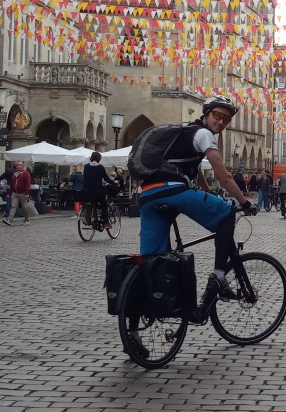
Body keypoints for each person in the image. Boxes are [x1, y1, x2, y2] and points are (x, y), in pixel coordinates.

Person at [138, 95, 255, 306]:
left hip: (147, 195)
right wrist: (245, 203)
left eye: (226, 119)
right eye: (218, 115)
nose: (221, 121)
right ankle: (219, 276)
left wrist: (208, 193)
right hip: (172, 190)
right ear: (207, 113)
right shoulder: (204, 134)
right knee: (227, 213)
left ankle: (139, 318)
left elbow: (195, 171)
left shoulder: (187, 133)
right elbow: (225, 177)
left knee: (152, 259)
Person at [84, 152, 118, 229]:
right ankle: (105, 222)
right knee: (104, 205)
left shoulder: (86, 166)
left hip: (87, 191)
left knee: (92, 203)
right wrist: (114, 182)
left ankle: (91, 218)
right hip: (97, 190)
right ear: (99, 159)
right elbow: (106, 178)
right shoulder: (100, 167)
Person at [2, 161, 32, 226]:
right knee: (13, 206)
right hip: (15, 193)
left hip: (23, 193)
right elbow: (12, 184)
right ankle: (10, 219)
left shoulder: (26, 174)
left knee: (24, 207)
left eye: (20, 165)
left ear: (22, 166)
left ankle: (27, 219)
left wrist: (27, 193)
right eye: (17, 165)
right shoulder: (15, 174)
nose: (18, 166)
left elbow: (28, 184)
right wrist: (9, 193)